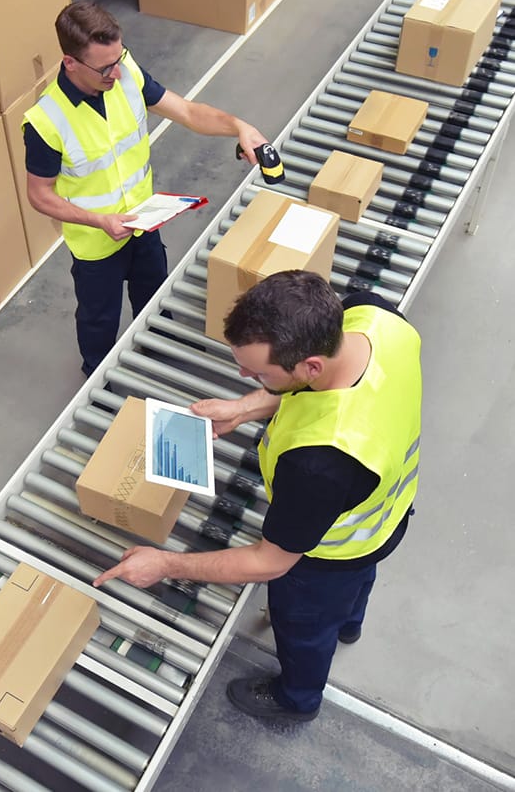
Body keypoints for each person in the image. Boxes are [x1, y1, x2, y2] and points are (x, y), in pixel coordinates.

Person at [93, 270, 422, 722]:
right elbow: (316, 385)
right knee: (358, 584)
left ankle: (296, 699)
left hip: (331, 553)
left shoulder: (320, 462)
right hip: (386, 514)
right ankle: (350, 623)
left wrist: (165, 563)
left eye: (259, 373)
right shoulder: (375, 317)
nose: (246, 376)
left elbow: (270, 563)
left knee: (304, 626)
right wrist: (244, 408)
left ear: (309, 367)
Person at [23, 1, 269, 376]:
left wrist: (238, 126)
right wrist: (99, 220)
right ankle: (99, 381)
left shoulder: (126, 73)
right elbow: (39, 194)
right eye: (105, 66)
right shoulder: (46, 120)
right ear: (70, 63)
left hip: (144, 221)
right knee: (98, 321)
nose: (116, 71)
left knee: (154, 295)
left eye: (118, 57)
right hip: (97, 243)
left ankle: (159, 348)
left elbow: (186, 111)